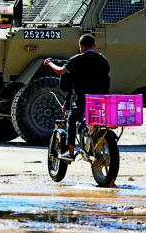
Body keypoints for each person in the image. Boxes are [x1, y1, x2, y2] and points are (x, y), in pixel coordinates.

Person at [44, 34, 111, 162]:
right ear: (94, 47)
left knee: (72, 119)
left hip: (83, 100)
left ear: (81, 47)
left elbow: (60, 71)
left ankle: (70, 152)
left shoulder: (77, 59)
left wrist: (49, 63)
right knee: (91, 119)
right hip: (101, 100)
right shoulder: (103, 59)